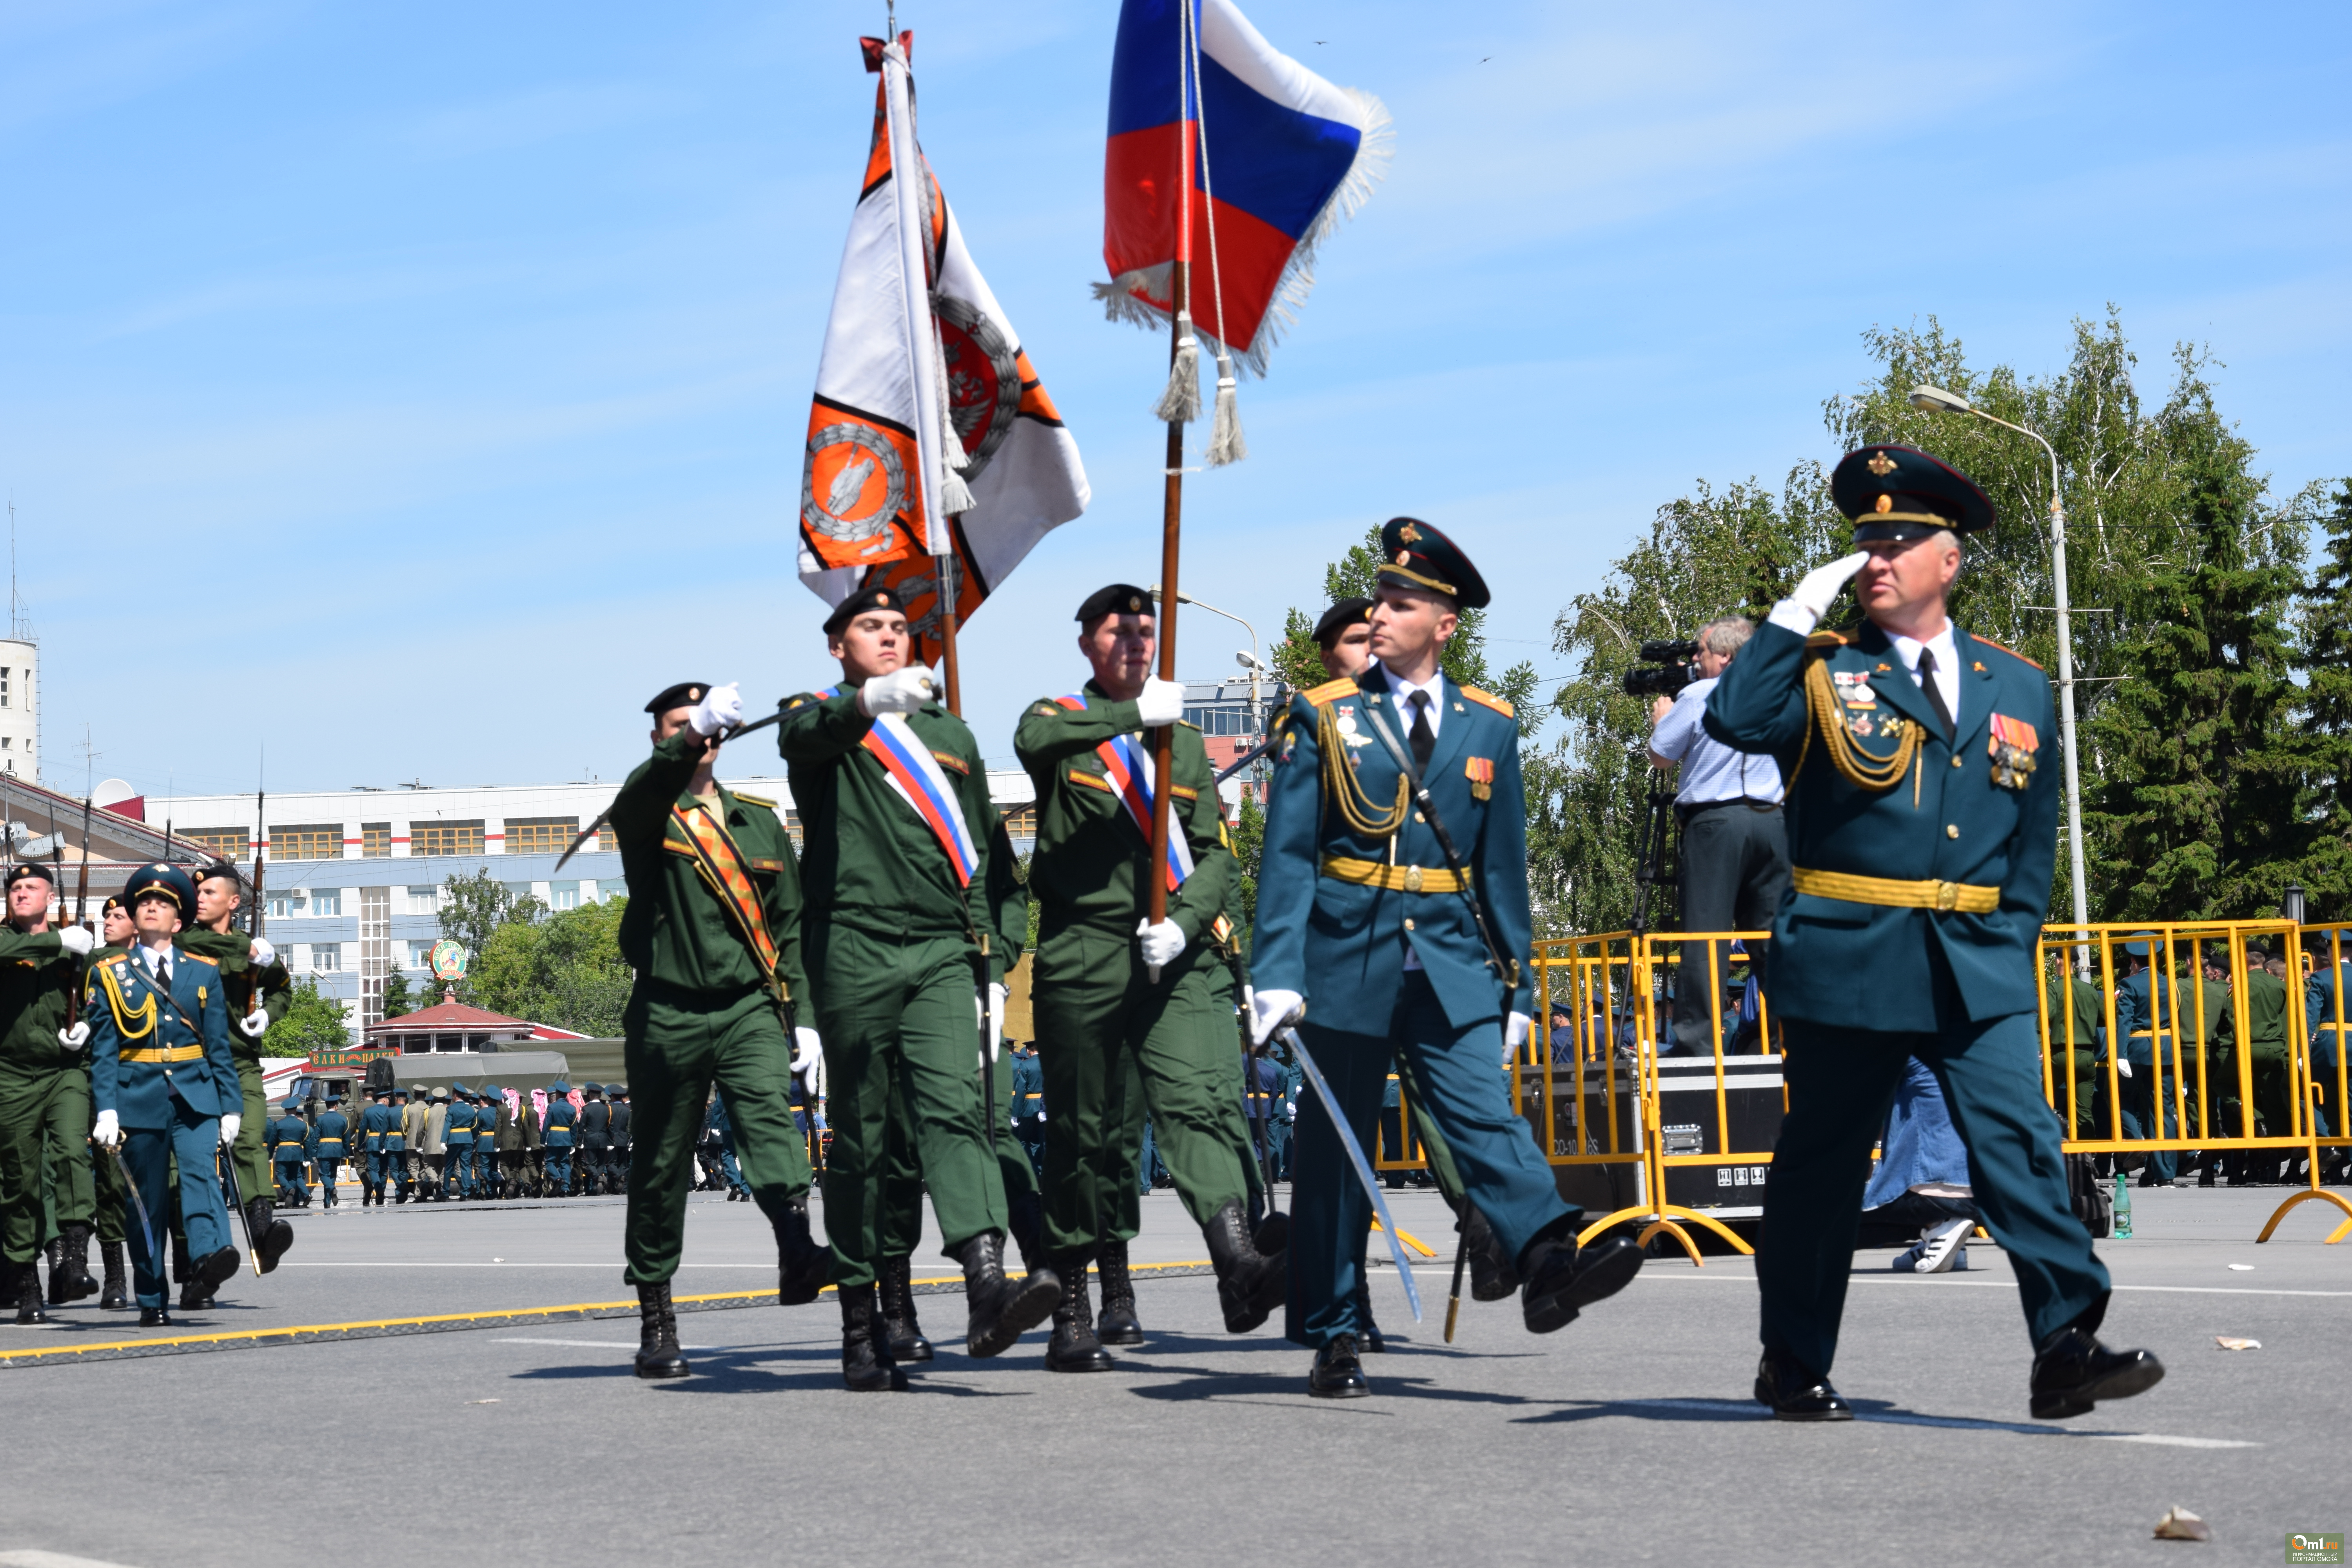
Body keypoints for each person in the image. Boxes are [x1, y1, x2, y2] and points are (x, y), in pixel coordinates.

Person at [1704, 442, 2161, 1421]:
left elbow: (2031, 844)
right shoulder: (1826, 673)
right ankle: (1792, 1358)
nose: (1876, 557)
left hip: (1974, 959)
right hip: (1850, 955)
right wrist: (1793, 614)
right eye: (1865, 541)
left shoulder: (2019, 684)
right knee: (1823, 1170)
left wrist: (2014, 944)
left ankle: (2066, 1344)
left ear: (1949, 559)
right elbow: (1737, 720)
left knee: (2022, 1147)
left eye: (1899, 540)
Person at [1252, 518, 1642, 1398]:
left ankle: (1546, 1249)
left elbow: (1503, 867)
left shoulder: (1491, 725)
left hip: (1456, 959)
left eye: (1402, 603)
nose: (1381, 615)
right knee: (1339, 1152)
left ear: (1446, 623)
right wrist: (1274, 971)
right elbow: (1289, 855)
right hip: (1346, 957)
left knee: (1482, 1110)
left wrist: (1520, 981)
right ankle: (1336, 1326)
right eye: (1380, 600)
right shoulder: (1326, 716)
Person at [779, 586, 1056, 1388]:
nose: (892, 637)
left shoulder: (949, 732)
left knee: (959, 1107)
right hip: (854, 947)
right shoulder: (820, 716)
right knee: (864, 1142)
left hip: (941, 948)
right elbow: (806, 736)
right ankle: (862, 1321)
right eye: (872, 626)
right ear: (839, 645)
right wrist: (866, 703)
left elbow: (980, 857)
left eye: (901, 627)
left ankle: (984, 1279)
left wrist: (991, 960)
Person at [1016, 583, 1284, 1374]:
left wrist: (1186, 919)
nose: (1136, 642)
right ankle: (1072, 1300)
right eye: (1118, 630)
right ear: (1087, 644)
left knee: (1201, 1101)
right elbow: (1034, 737)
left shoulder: (1191, 746)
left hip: (1175, 954)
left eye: (1147, 630)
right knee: (1084, 1134)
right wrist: (1140, 716)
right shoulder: (1061, 720)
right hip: (1086, 954)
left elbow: (1215, 860)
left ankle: (1237, 1260)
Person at [613, 680, 827, 1380]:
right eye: (679, 726)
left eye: (701, 724)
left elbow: (792, 927)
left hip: (747, 1005)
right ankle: (656, 1317)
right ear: (659, 738)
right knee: (662, 1165)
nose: (695, 736)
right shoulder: (648, 810)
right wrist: (685, 740)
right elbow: (643, 794)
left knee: (769, 1120)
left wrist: (811, 1021)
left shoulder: (760, 823)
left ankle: (797, 1250)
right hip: (668, 1010)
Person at [84, 863, 241, 1327]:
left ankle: (209, 1255)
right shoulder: (110, 973)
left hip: (194, 1097)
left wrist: (231, 1105)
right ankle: (152, 1295)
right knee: (145, 1203)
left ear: (179, 920)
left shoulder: (203, 972)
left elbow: (218, 1046)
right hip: (137, 1097)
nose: (153, 906)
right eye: (145, 903)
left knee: (199, 1177)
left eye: (165, 903)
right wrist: (106, 1107)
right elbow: (106, 1050)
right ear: (135, 916)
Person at [1648, 617, 1789, 1057]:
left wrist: (1662, 719)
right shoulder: (1780, 693)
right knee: (1774, 938)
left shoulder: (1697, 696)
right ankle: (1799, 1034)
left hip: (1717, 823)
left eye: (1702, 652)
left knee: (1705, 936)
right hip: (1774, 822)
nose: (1695, 659)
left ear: (1725, 657)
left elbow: (1661, 757)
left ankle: (1696, 1044)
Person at [180, 861, 294, 1267]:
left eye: (210, 893)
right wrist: (248, 950)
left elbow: (282, 987)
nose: (200, 899)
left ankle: (262, 1226)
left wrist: (267, 1014)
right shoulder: (186, 940)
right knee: (191, 1161)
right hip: (191, 1064)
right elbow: (209, 948)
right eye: (198, 893)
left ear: (233, 901)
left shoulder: (253, 948)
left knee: (250, 1140)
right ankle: (194, 1251)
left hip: (241, 1062)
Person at [0, 862, 100, 1321]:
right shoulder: (7, 942)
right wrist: (59, 940)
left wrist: (86, 1029)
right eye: (14, 888)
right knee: (20, 1181)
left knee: (72, 1153)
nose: (21, 894)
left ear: (49, 897)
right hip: (12, 1075)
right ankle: (26, 1281)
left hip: (65, 1070)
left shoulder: (78, 951)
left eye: (30, 887)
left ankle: (75, 1252)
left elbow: (103, 1003)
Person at [2112, 938, 2179, 1185]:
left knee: (2119, 1098)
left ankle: (2137, 1141)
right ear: (2158, 959)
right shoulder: (2171, 985)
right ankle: (2165, 1173)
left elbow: (2125, 1020)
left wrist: (2120, 1054)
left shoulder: (2128, 984)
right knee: (2163, 1110)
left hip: (2137, 1051)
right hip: (2165, 1051)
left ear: (2133, 961)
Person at [309, 1094, 350, 1209]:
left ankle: (332, 1191)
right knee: (332, 1176)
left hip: (324, 1150)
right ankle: (327, 1201)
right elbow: (347, 1139)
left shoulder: (320, 1119)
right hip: (337, 1149)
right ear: (336, 1106)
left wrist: (313, 1152)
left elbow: (316, 1138)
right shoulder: (344, 1119)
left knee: (323, 1174)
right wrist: (345, 1153)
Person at [272, 1099, 312, 1207]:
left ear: (285, 1111)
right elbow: (307, 1143)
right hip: (297, 1152)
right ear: (295, 1111)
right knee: (294, 1176)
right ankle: (293, 1201)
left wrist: (269, 1154)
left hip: (283, 1152)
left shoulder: (279, 1124)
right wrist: (308, 1158)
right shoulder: (303, 1125)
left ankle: (289, 1190)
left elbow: (273, 1140)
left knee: (280, 1175)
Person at [542, 1080, 575, 1195]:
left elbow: (546, 1126)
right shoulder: (572, 1109)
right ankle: (566, 1188)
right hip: (567, 1139)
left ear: (557, 1094)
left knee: (550, 1163)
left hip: (554, 1138)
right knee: (565, 1163)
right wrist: (573, 1143)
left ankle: (558, 1178)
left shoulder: (552, 1107)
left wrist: (543, 1141)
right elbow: (574, 1128)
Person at [577, 1082, 611, 1196]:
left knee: (589, 1164)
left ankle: (598, 1179)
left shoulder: (586, 1109)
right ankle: (597, 1187)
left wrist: (579, 1141)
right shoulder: (607, 1109)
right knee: (601, 1164)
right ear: (600, 1096)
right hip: (603, 1139)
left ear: (590, 1096)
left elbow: (582, 1126)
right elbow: (609, 1125)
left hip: (590, 1139)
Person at [477, 1083, 508, 1199]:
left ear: (489, 1099)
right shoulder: (501, 1111)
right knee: (494, 1168)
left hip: (485, 1142)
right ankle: (493, 1192)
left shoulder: (482, 1112)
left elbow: (477, 1128)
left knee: (484, 1168)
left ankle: (495, 1180)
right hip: (498, 1142)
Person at [399, 1085, 430, 1202]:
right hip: (426, 1143)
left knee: (413, 1167)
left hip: (412, 1142)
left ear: (415, 1096)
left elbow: (403, 1125)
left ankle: (421, 1185)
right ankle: (419, 1194)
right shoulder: (429, 1109)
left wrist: (405, 1137)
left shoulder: (409, 1109)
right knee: (422, 1168)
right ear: (425, 1096)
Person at [608, 1083, 632, 1195]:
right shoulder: (628, 1110)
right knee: (623, 1164)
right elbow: (629, 1127)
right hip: (624, 1140)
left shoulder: (609, 1109)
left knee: (610, 1163)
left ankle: (616, 1182)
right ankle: (624, 1188)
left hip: (611, 1140)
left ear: (612, 1097)